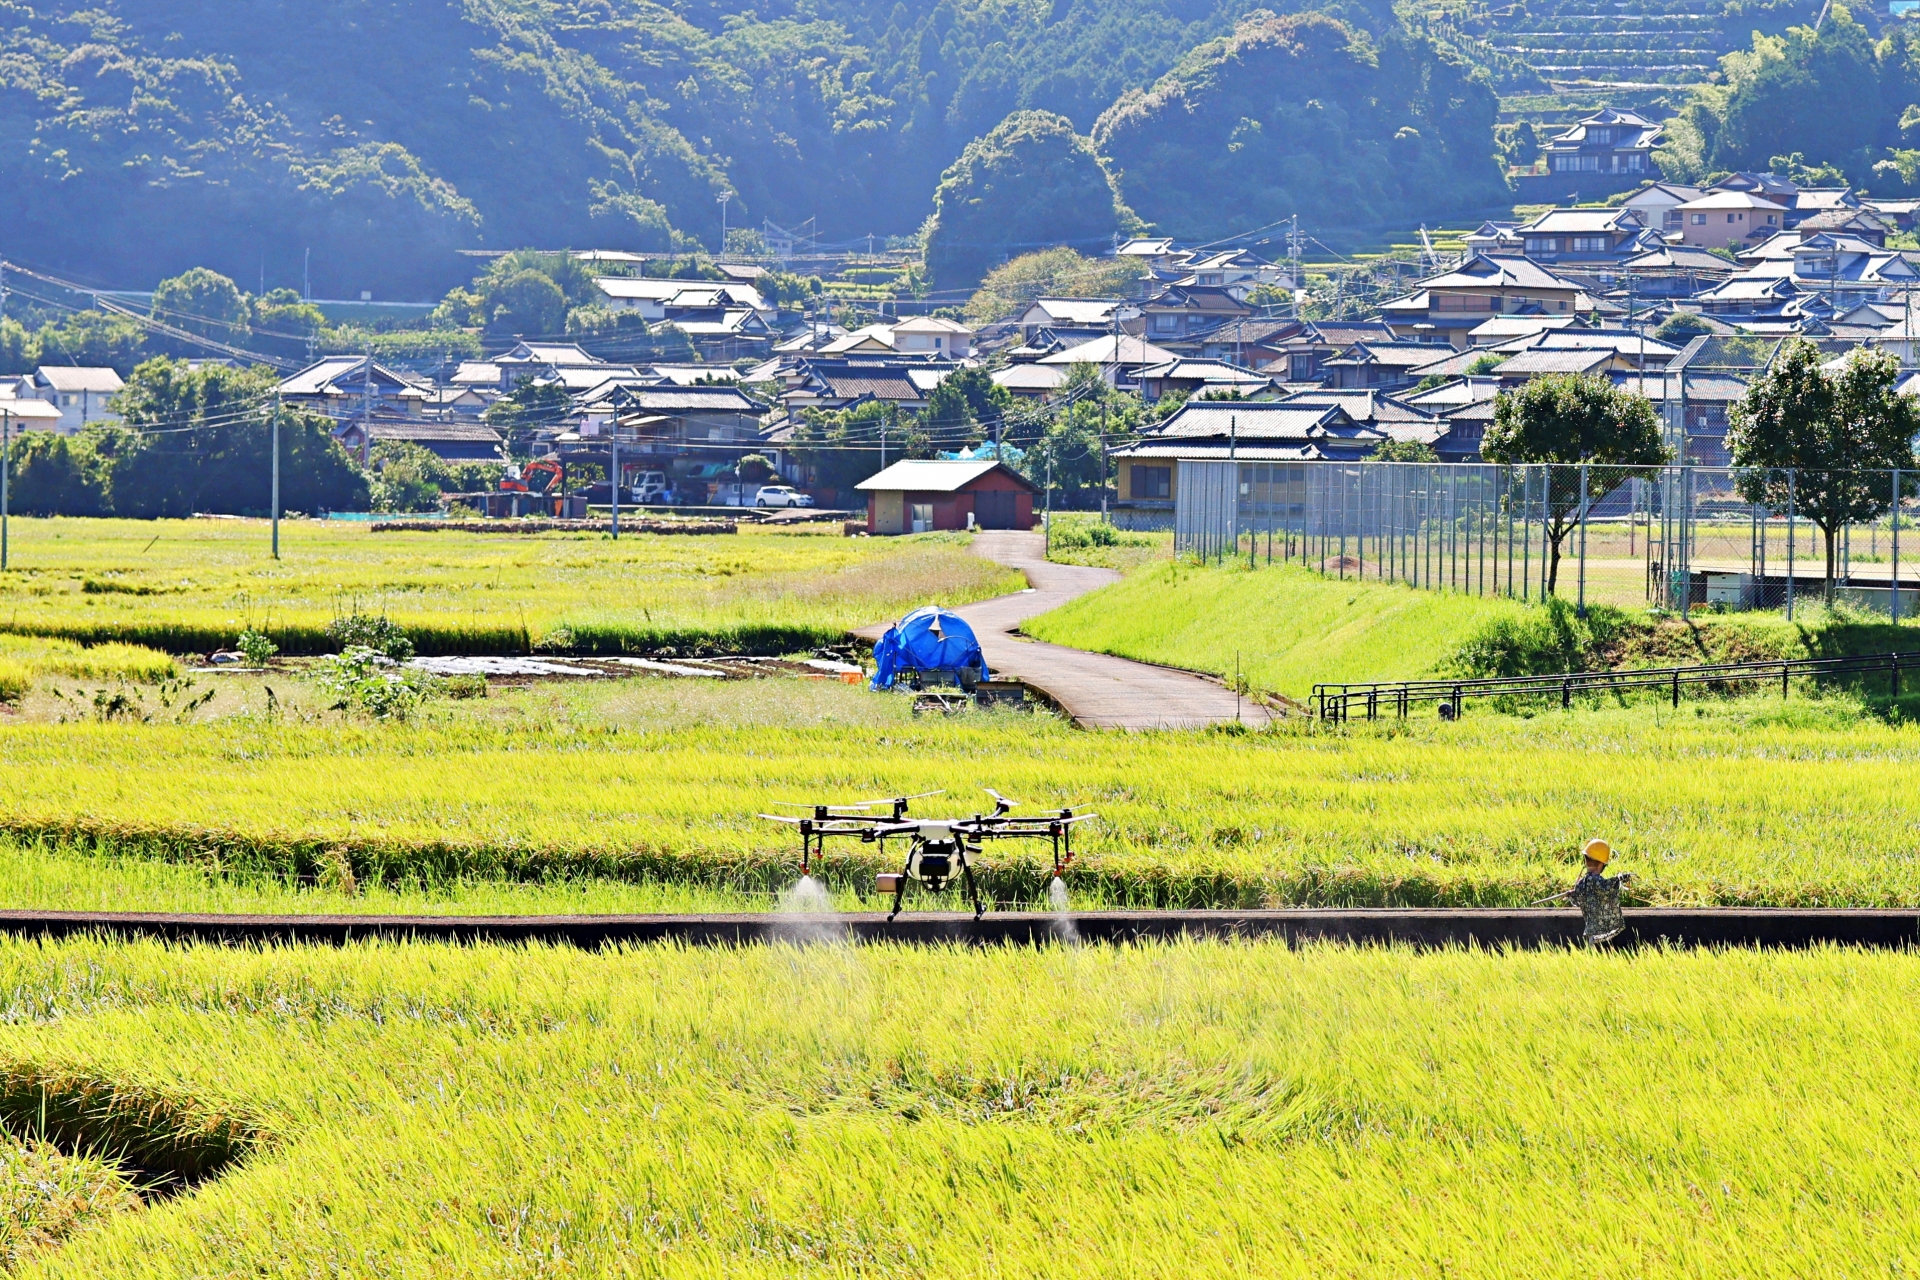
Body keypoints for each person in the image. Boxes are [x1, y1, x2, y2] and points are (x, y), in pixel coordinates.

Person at [1566, 837, 1632, 945]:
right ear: (1602, 864)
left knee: (1592, 946)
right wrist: (1618, 879)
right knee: (1596, 948)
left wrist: (1572, 894)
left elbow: (1577, 898)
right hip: (1599, 926)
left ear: (1586, 860)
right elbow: (1606, 888)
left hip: (1591, 925)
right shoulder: (1596, 880)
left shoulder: (1583, 881)